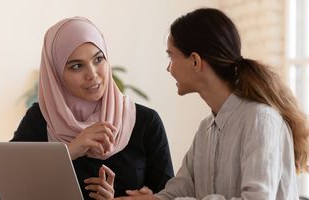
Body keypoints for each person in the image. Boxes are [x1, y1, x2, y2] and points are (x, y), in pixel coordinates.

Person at [115, 7, 309, 200]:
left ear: (195, 61)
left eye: (171, 57)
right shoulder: (205, 129)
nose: (168, 68)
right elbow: (179, 190)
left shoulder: (260, 120)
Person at [0, 16, 174, 200]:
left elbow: (170, 196)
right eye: (76, 66)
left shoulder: (145, 121)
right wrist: (69, 151)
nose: (92, 75)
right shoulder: (42, 118)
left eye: (98, 60)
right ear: (56, 74)